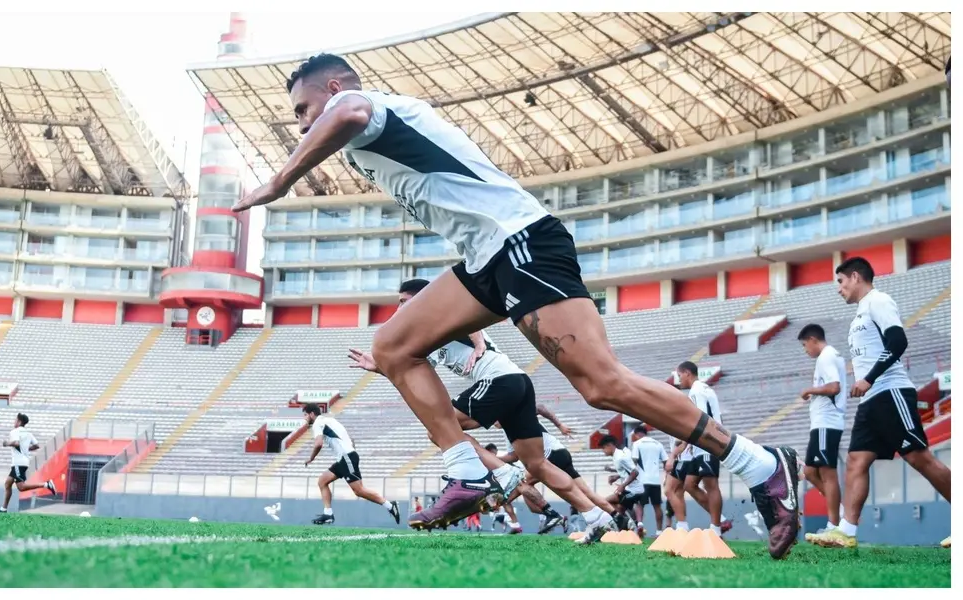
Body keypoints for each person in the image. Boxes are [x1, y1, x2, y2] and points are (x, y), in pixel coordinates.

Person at [234, 53, 800, 559]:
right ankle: (467, 473)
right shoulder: (366, 135)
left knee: (602, 386)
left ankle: (762, 464)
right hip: (487, 258)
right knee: (392, 348)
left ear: (333, 87)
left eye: (304, 108)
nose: (303, 123)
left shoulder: (367, 107)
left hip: (522, 241)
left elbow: (350, 112)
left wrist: (281, 181)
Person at [349, 279, 614, 541]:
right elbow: (417, 376)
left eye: (404, 303)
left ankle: (502, 472)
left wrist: (478, 343)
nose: (399, 310)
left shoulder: (437, 315)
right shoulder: (424, 336)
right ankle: (596, 517)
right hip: (518, 381)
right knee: (537, 464)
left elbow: (468, 319)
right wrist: (381, 369)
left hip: (499, 380)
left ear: (421, 301)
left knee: (439, 428)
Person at [809, 258, 952, 549]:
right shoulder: (860, 314)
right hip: (871, 400)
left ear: (855, 276)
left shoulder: (879, 301)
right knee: (856, 461)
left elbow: (898, 342)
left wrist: (870, 378)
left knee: (918, 458)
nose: (839, 289)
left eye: (841, 281)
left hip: (891, 391)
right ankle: (846, 531)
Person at [302, 403, 400, 525]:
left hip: (346, 457)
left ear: (312, 414)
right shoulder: (329, 420)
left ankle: (390, 506)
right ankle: (328, 514)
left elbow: (318, 444)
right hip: (345, 458)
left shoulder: (318, 423)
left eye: (306, 415)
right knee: (322, 481)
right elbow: (349, 439)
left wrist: (311, 458)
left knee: (359, 490)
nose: (305, 418)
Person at [795, 324, 848, 538]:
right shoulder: (828, 356)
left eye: (805, 345)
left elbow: (834, 387)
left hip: (827, 422)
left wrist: (810, 389)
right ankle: (841, 511)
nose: (805, 349)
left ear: (813, 339)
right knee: (809, 472)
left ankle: (834, 525)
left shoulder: (826, 356)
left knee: (827, 473)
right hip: (821, 423)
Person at [669, 362, 726, 536]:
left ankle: (716, 528)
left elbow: (700, 418)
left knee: (711, 484)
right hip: (703, 443)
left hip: (709, 441)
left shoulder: (696, 391)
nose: (679, 380)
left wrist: (686, 442)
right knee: (689, 484)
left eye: (679, 376)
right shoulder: (706, 389)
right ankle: (720, 520)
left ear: (687, 373)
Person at [0, 413, 57, 513]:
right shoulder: (29, 434)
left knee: (21, 487)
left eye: (15, 420)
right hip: (23, 462)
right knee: (8, 484)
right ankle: (3, 508)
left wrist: (6, 443)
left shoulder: (14, 432)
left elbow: (16, 443)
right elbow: (36, 445)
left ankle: (46, 484)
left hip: (18, 463)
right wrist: (26, 448)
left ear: (19, 422)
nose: (14, 422)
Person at [599, 435, 646, 537]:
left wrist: (623, 485)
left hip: (633, 490)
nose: (603, 451)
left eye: (603, 448)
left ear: (609, 445)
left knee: (604, 502)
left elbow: (635, 472)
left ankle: (628, 524)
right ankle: (631, 527)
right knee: (619, 507)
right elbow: (626, 472)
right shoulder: (617, 456)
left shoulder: (620, 457)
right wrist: (616, 477)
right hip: (631, 489)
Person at [630, 425, 667, 533]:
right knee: (657, 506)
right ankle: (659, 531)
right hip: (655, 480)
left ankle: (640, 524)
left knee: (639, 504)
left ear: (636, 434)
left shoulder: (637, 444)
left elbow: (634, 462)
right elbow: (666, 462)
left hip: (642, 480)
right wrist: (666, 477)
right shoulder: (658, 444)